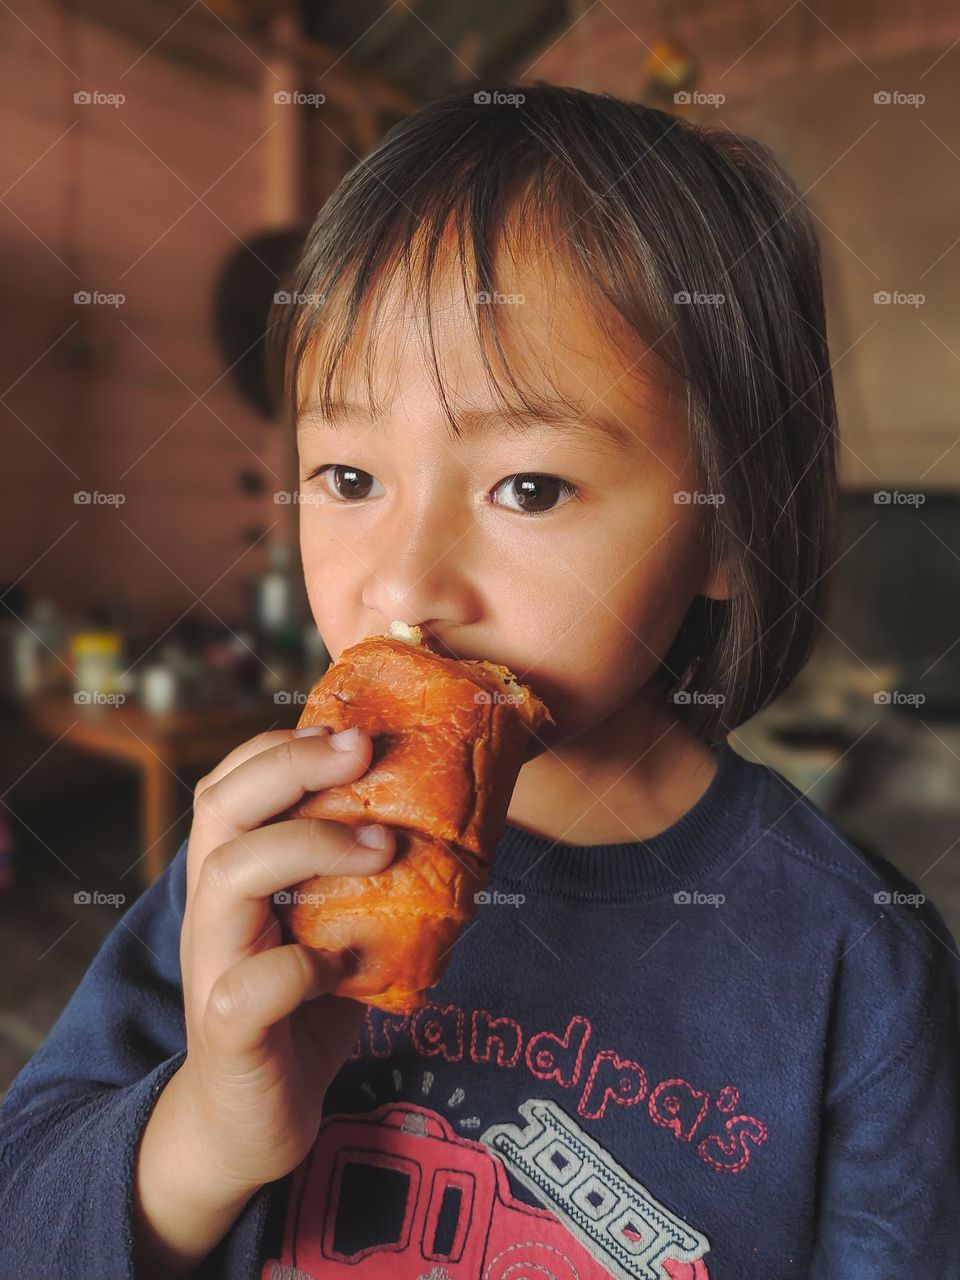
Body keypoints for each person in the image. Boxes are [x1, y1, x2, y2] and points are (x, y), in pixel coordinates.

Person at [2, 82, 958, 1280]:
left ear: (728, 525)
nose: (407, 586)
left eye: (529, 487)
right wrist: (202, 1133)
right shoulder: (265, 866)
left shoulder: (856, 963)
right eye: (348, 478)